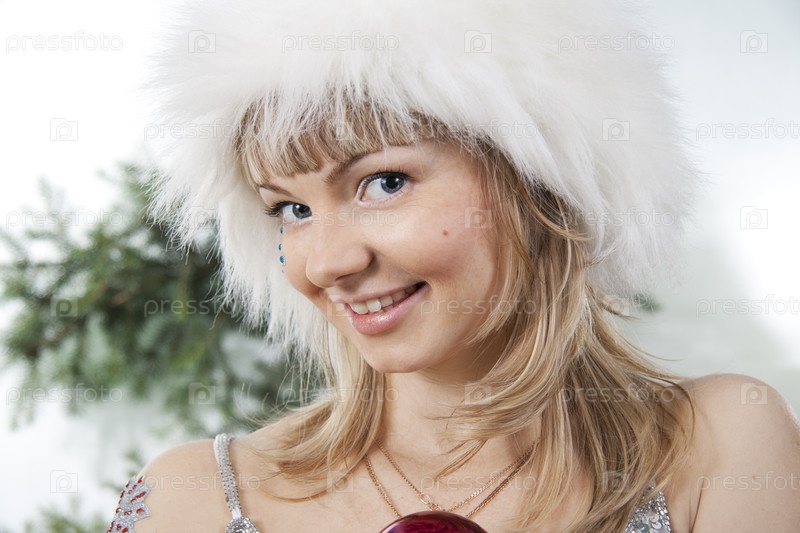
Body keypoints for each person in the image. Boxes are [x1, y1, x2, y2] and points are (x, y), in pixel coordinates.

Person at [107, 0, 800, 531]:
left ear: (536, 181)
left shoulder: (718, 444)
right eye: (291, 209)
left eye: (384, 183)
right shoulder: (191, 500)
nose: (328, 263)